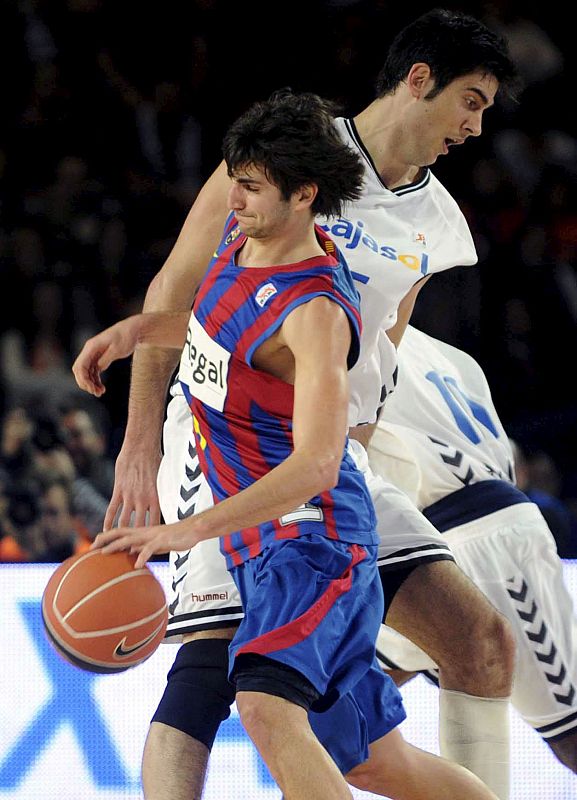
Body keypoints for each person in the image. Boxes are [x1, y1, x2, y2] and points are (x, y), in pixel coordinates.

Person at [73, 9, 517, 799]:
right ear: (419, 80)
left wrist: (362, 443)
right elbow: (187, 291)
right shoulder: (279, 158)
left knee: (474, 638)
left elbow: (381, 344)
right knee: (221, 677)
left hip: (314, 466)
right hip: (221, 437)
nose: (476, 127)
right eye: (472, 101)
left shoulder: (423, 227)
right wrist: (139, 442)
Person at [369, 323, 577, 774]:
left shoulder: (331, 323)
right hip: (435, 541)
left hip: (464, 535)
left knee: (571, 736)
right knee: (336, 715)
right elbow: (509, 460)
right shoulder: (450, 355)